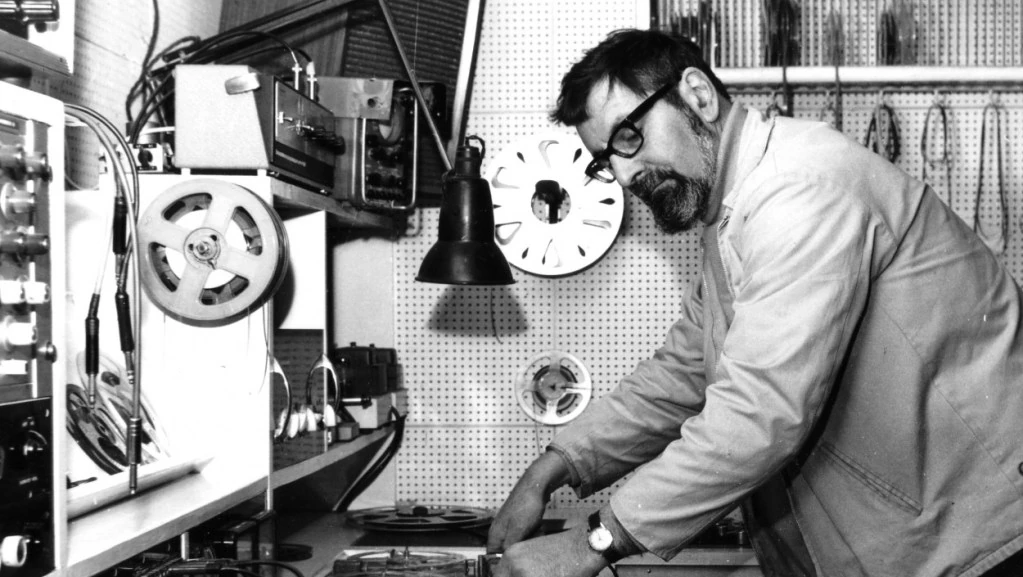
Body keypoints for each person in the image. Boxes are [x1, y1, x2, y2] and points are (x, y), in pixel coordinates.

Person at [485, 28, 1023, 577]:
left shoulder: (799, 191)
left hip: (988, 546)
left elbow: (761, 410)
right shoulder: (734, 211)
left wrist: (593, 543)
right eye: (606, 160)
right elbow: (683, 375)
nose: (624, 175)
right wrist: (554, 467)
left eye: (629, 136)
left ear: (698, 95)